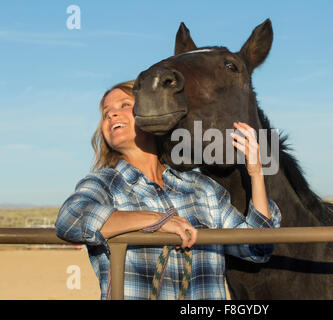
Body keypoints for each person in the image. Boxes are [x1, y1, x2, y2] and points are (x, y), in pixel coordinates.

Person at [55, 80, 281, 300]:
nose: (112, 115)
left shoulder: (201, 188)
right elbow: (70, 217)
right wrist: (156, 221)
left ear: (151, 114)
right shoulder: (105, 183)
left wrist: (256, 173)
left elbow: (257, 248)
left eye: (125, 105)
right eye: (106, 113)